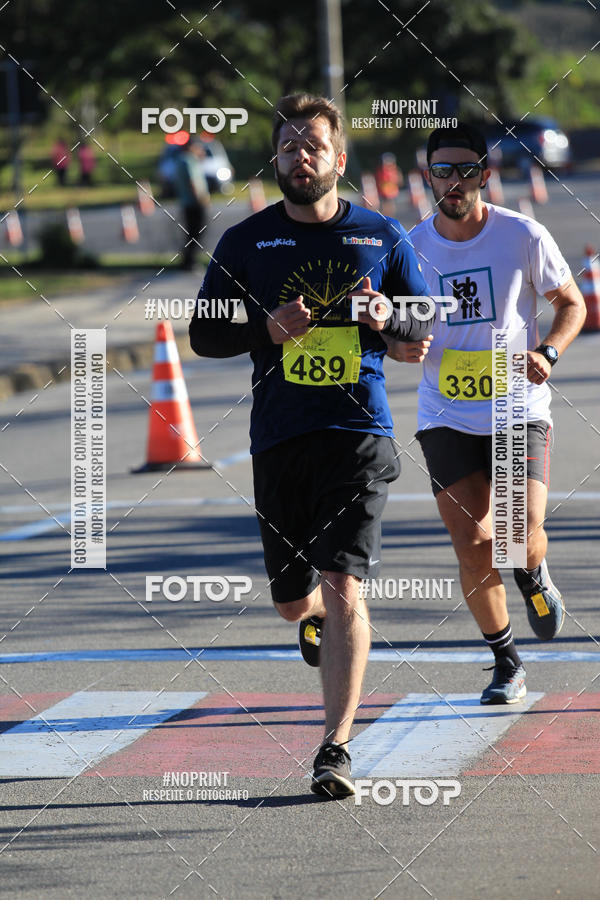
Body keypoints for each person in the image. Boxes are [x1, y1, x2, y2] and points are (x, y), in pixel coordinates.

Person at [189, 93, 434, 798]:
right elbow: (203, 334)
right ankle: (313, 619)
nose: (301, 157)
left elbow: (423, 323)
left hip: (360, 436)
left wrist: (389, 319)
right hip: (280, 438)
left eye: (314, 146)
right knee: (295, 603)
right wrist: (265, 330)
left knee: (345, 583)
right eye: (289, 147)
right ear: (276, 160)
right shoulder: (246, 241)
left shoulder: (380, 234)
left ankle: (336, 746)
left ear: (338, 158)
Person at [387, 122, 586, 705]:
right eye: (442, 170)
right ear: (427, 177)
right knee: (473, 541)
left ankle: (533, 573)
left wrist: (549, 351)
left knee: (516, 537)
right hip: (445, 412)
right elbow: (390, 328)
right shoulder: (409, 248)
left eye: (466, 169)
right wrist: (398, 346)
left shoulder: (522, 234)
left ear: (484, 175)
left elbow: (570, 303)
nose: (454, 181)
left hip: (517, 407)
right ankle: (506, 662)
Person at [174, 137, 210, 270]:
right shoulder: (189, 160)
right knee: (196, 232)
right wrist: (201, 199)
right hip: (194, 202)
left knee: (191, 232)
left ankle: (187, 260)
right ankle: (190, 261)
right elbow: (193, 181)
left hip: (186, 202)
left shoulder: (182, 160)